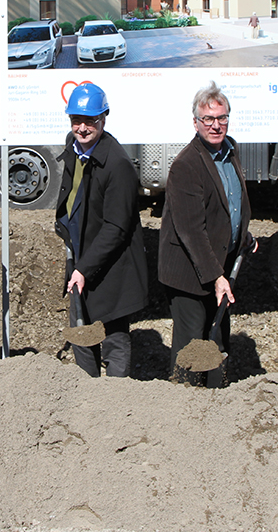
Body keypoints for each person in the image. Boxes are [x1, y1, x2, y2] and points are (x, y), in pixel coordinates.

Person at [159, 82, 254, 387]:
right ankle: (184, 405)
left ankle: (215, 402)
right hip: (190, 273)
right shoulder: (186, 165)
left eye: (222, 118)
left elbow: (230, 205)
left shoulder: (229, 152)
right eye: (208, 119)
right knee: (192, 345)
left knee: (216, 339)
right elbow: (191, 230)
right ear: (196, 123)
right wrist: (216, 277)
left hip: (217, 268)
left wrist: (243, 237)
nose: (216, 125)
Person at [54, 83, 148, 377]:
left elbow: (116, 228)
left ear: (103, 119)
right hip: (82, 260)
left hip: (111, 268)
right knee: (81, 335)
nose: (81, 128)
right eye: (76, 120)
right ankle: (87, 397)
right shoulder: (74, 149)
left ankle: (113, 404)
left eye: (89, 121)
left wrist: (84, 269)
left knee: (114, 340)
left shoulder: (117, 165)